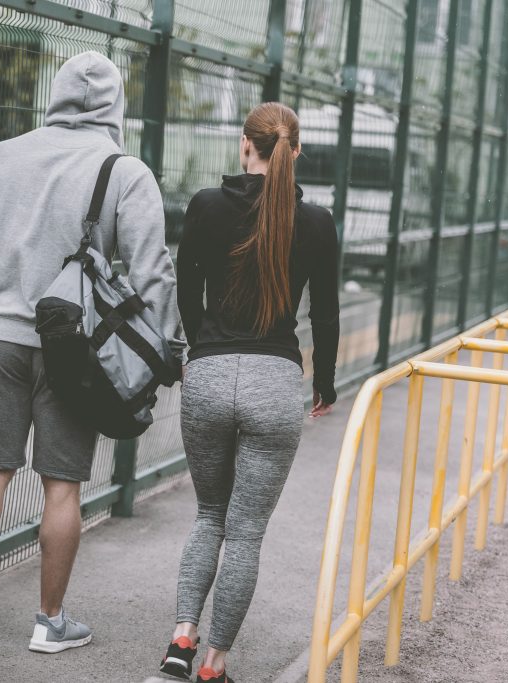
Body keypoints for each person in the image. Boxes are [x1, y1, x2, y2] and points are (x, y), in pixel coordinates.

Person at [0, 51, 184, 662]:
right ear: (115, 105)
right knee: (62, 486)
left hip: (0, 336)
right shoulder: (125, 171)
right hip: (75, 349)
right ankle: (49, 622)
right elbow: (152, 270)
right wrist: (168, 348)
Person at [158, 102, 340, 683]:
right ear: (297, 152)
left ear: (246, 145)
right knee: (245, 531)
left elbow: (187, 291)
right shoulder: (316, 221)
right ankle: (214, 665)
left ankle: (181, 639)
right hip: (275, 382)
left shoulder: (206, 207)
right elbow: (327, 314)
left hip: (210, 373)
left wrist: (197, 350)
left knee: (209, 513)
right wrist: (326, 383)